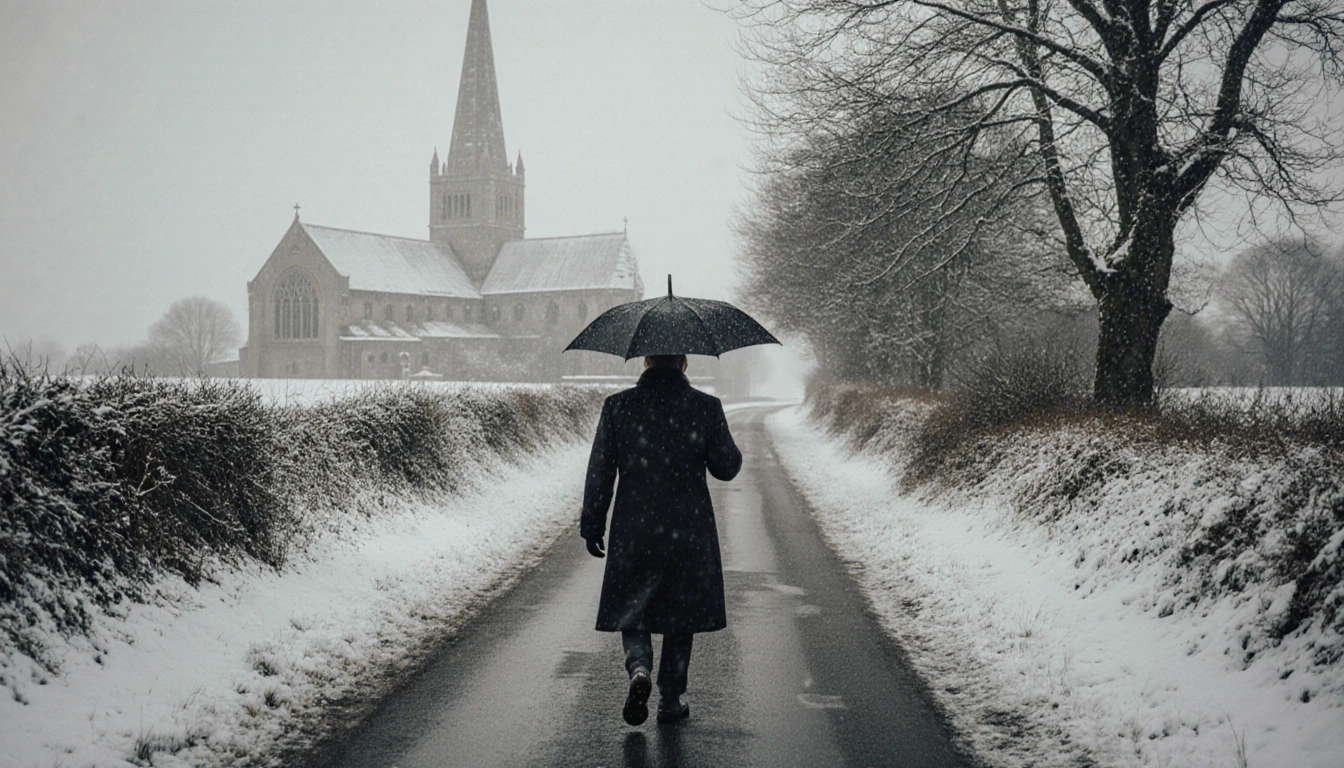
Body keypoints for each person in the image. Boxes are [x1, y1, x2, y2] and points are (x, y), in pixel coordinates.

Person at [580, 353, 742, 726]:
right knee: (679, 614)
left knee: (633, 607)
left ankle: (639, 668)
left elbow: (600, 470)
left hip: (634, 528)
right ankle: (671, 698)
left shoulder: (618, 407)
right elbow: (727, 467)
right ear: (683, 363)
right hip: (688, 529)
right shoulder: (705, 407)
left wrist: (592, 523)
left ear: (646, 361)